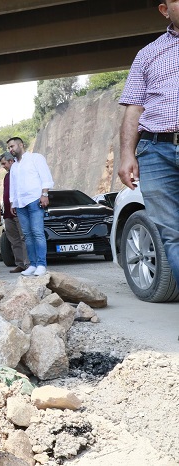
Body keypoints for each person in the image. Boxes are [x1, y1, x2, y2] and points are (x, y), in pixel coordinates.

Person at [118, 0, 179, 283]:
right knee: (171, 233)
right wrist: (126, 155)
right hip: (154, 149)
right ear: (164, 10)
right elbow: (134, 107)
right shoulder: (148, 54)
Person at [6, 137, 54, 277]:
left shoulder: (36, 158)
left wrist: (44, 194)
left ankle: (41, 264)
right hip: (20, 204)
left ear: (21, 145)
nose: (11, 149)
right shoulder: (14, 166)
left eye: (12, 146)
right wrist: (12, 203)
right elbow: (13, 187)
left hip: (34, 200)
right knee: (27, 235)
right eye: (9, 147)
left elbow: (45, 176)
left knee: (37, 233)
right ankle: (32, 265)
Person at [0, 153, 30, 273]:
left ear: (11, 161)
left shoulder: (20, 172)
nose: (3, 166)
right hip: (7, 213)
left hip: (19, 210)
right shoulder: (6, 177)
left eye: (4, 163)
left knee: (24, 237)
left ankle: (28, 264)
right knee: (14, 240)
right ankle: (20, 264)